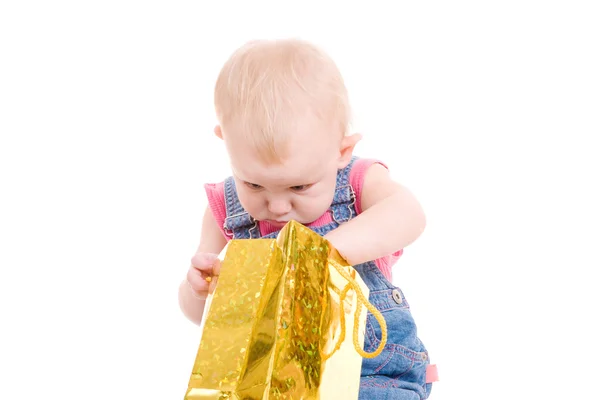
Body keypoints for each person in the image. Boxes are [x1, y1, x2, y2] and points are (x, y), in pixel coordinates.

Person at [179, 38, 436, 399]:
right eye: (254, 184)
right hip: (265, 382)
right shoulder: (225, 207)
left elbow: (410, 215)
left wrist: (318, 252)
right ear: (227, 144)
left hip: (370, 376)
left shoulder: (357, 185)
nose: (278, 206)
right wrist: (200, 289)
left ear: (342, 151)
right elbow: (197, 316)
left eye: (299, 186)